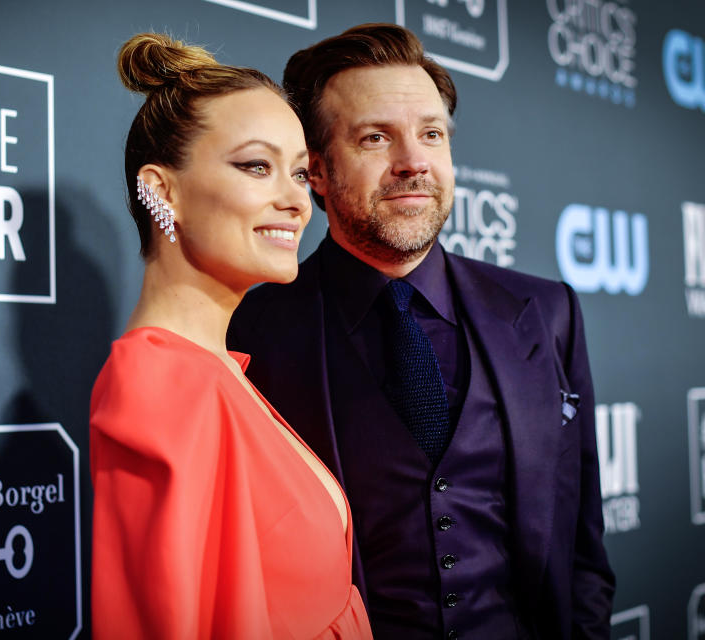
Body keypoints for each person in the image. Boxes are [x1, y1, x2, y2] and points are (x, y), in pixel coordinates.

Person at [228, 23, 615, 639]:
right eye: (376, 137)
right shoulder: (253, 329)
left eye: (431, 135)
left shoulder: (546, 310)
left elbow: (583, 550)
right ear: (317, 172)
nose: (414, 163)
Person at [89, 33, 373, 639]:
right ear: (162, 191)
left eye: (300, 173)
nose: (297, 200)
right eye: (256, 166)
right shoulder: (162, 387)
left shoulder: (217, 373)